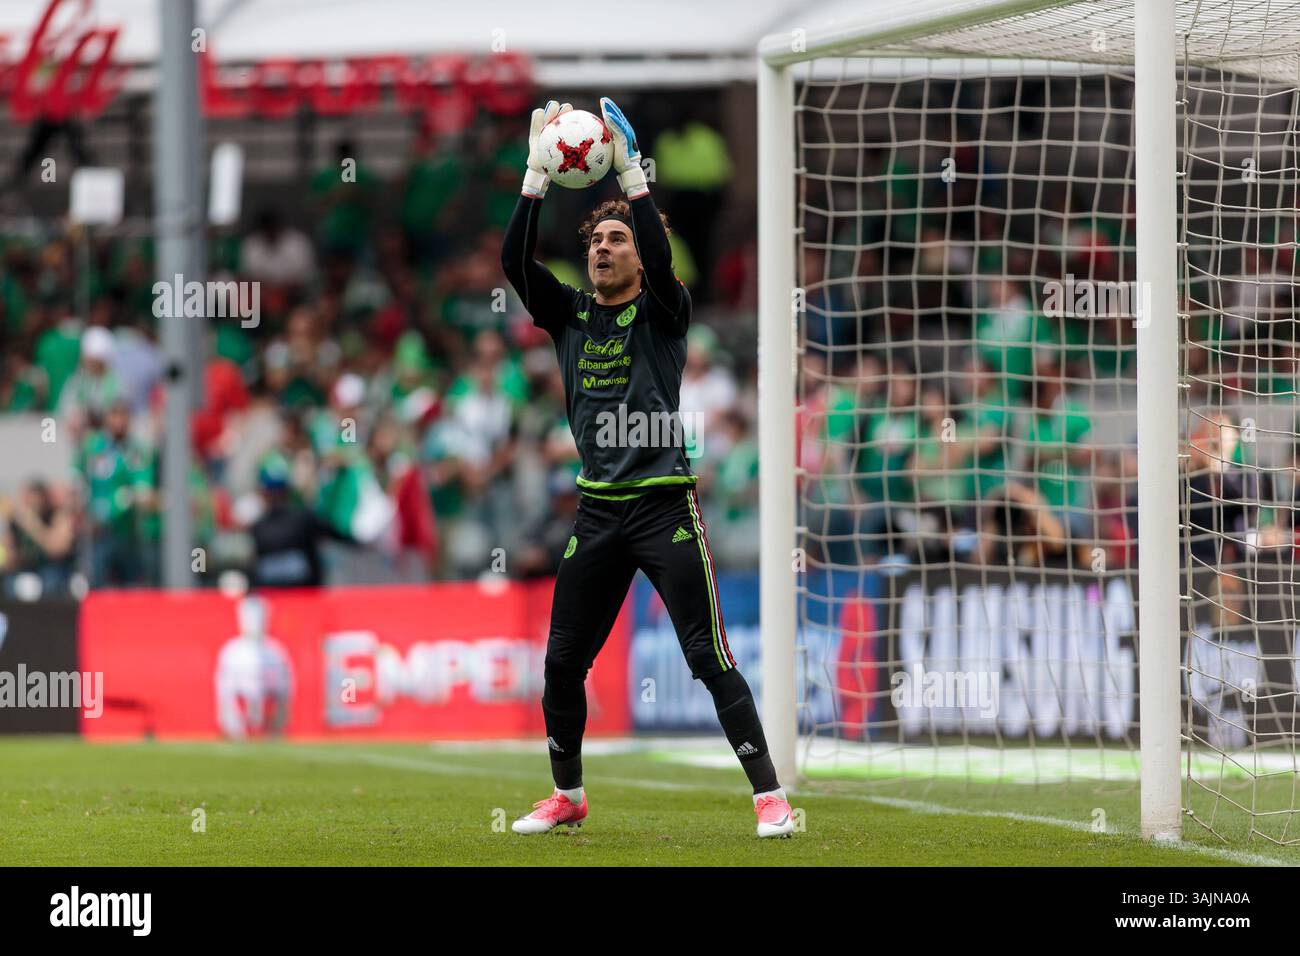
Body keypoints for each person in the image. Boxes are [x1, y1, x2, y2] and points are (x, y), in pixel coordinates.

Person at [500, 98, 794, 838]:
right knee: (562, 665)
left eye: (617, 239)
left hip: (665, 508)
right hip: (598, 511)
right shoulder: (568, 314)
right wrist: (535, 176)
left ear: (640, 255)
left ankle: (769, 798)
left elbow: (662, 259)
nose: (603, 247)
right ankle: (567, 795)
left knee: (707, 655)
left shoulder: (667, 310)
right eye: (596, 238)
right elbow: (514, 263)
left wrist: (632, 174)